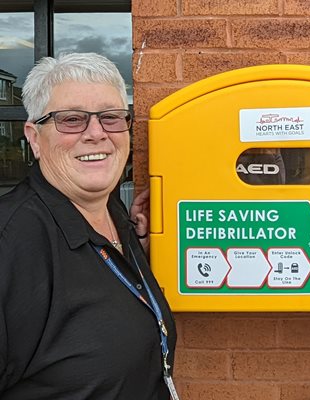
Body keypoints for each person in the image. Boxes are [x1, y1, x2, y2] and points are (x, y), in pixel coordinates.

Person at [0, 53, 178, 399]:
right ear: (34, 137)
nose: (96, 133)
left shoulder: (114, 216)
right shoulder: (10, 243)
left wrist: (133, 248)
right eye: (71, 119)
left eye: (110, 117)